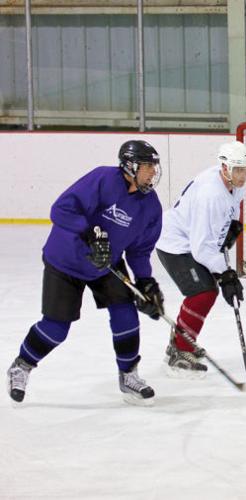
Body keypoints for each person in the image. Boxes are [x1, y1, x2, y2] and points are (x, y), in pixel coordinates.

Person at [6, 140, 164, 406]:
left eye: (154, 166)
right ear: (129, 166)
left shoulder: (150, 206)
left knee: (126, 315)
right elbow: (60, 209)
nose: (152, 172)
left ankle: (128, 374)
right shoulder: (103, 178)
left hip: (106, 265)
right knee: (56, 327)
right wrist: (88, 232)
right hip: (66, 259)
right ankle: (21, 366)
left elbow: (139, 250)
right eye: (147, 166)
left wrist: (145, 281)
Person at [155, 141, 246, 377]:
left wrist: (233, 225)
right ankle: (180, 351)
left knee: (206, 290)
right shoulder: (211, 195)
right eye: (238, 169)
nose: (243, 175)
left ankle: (180, 342)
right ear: (225, 167)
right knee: (203, 292)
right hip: (175, 244)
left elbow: (233, 204)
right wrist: (226, 275)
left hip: (190, 241)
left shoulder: (230, 182)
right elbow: (202, 250)